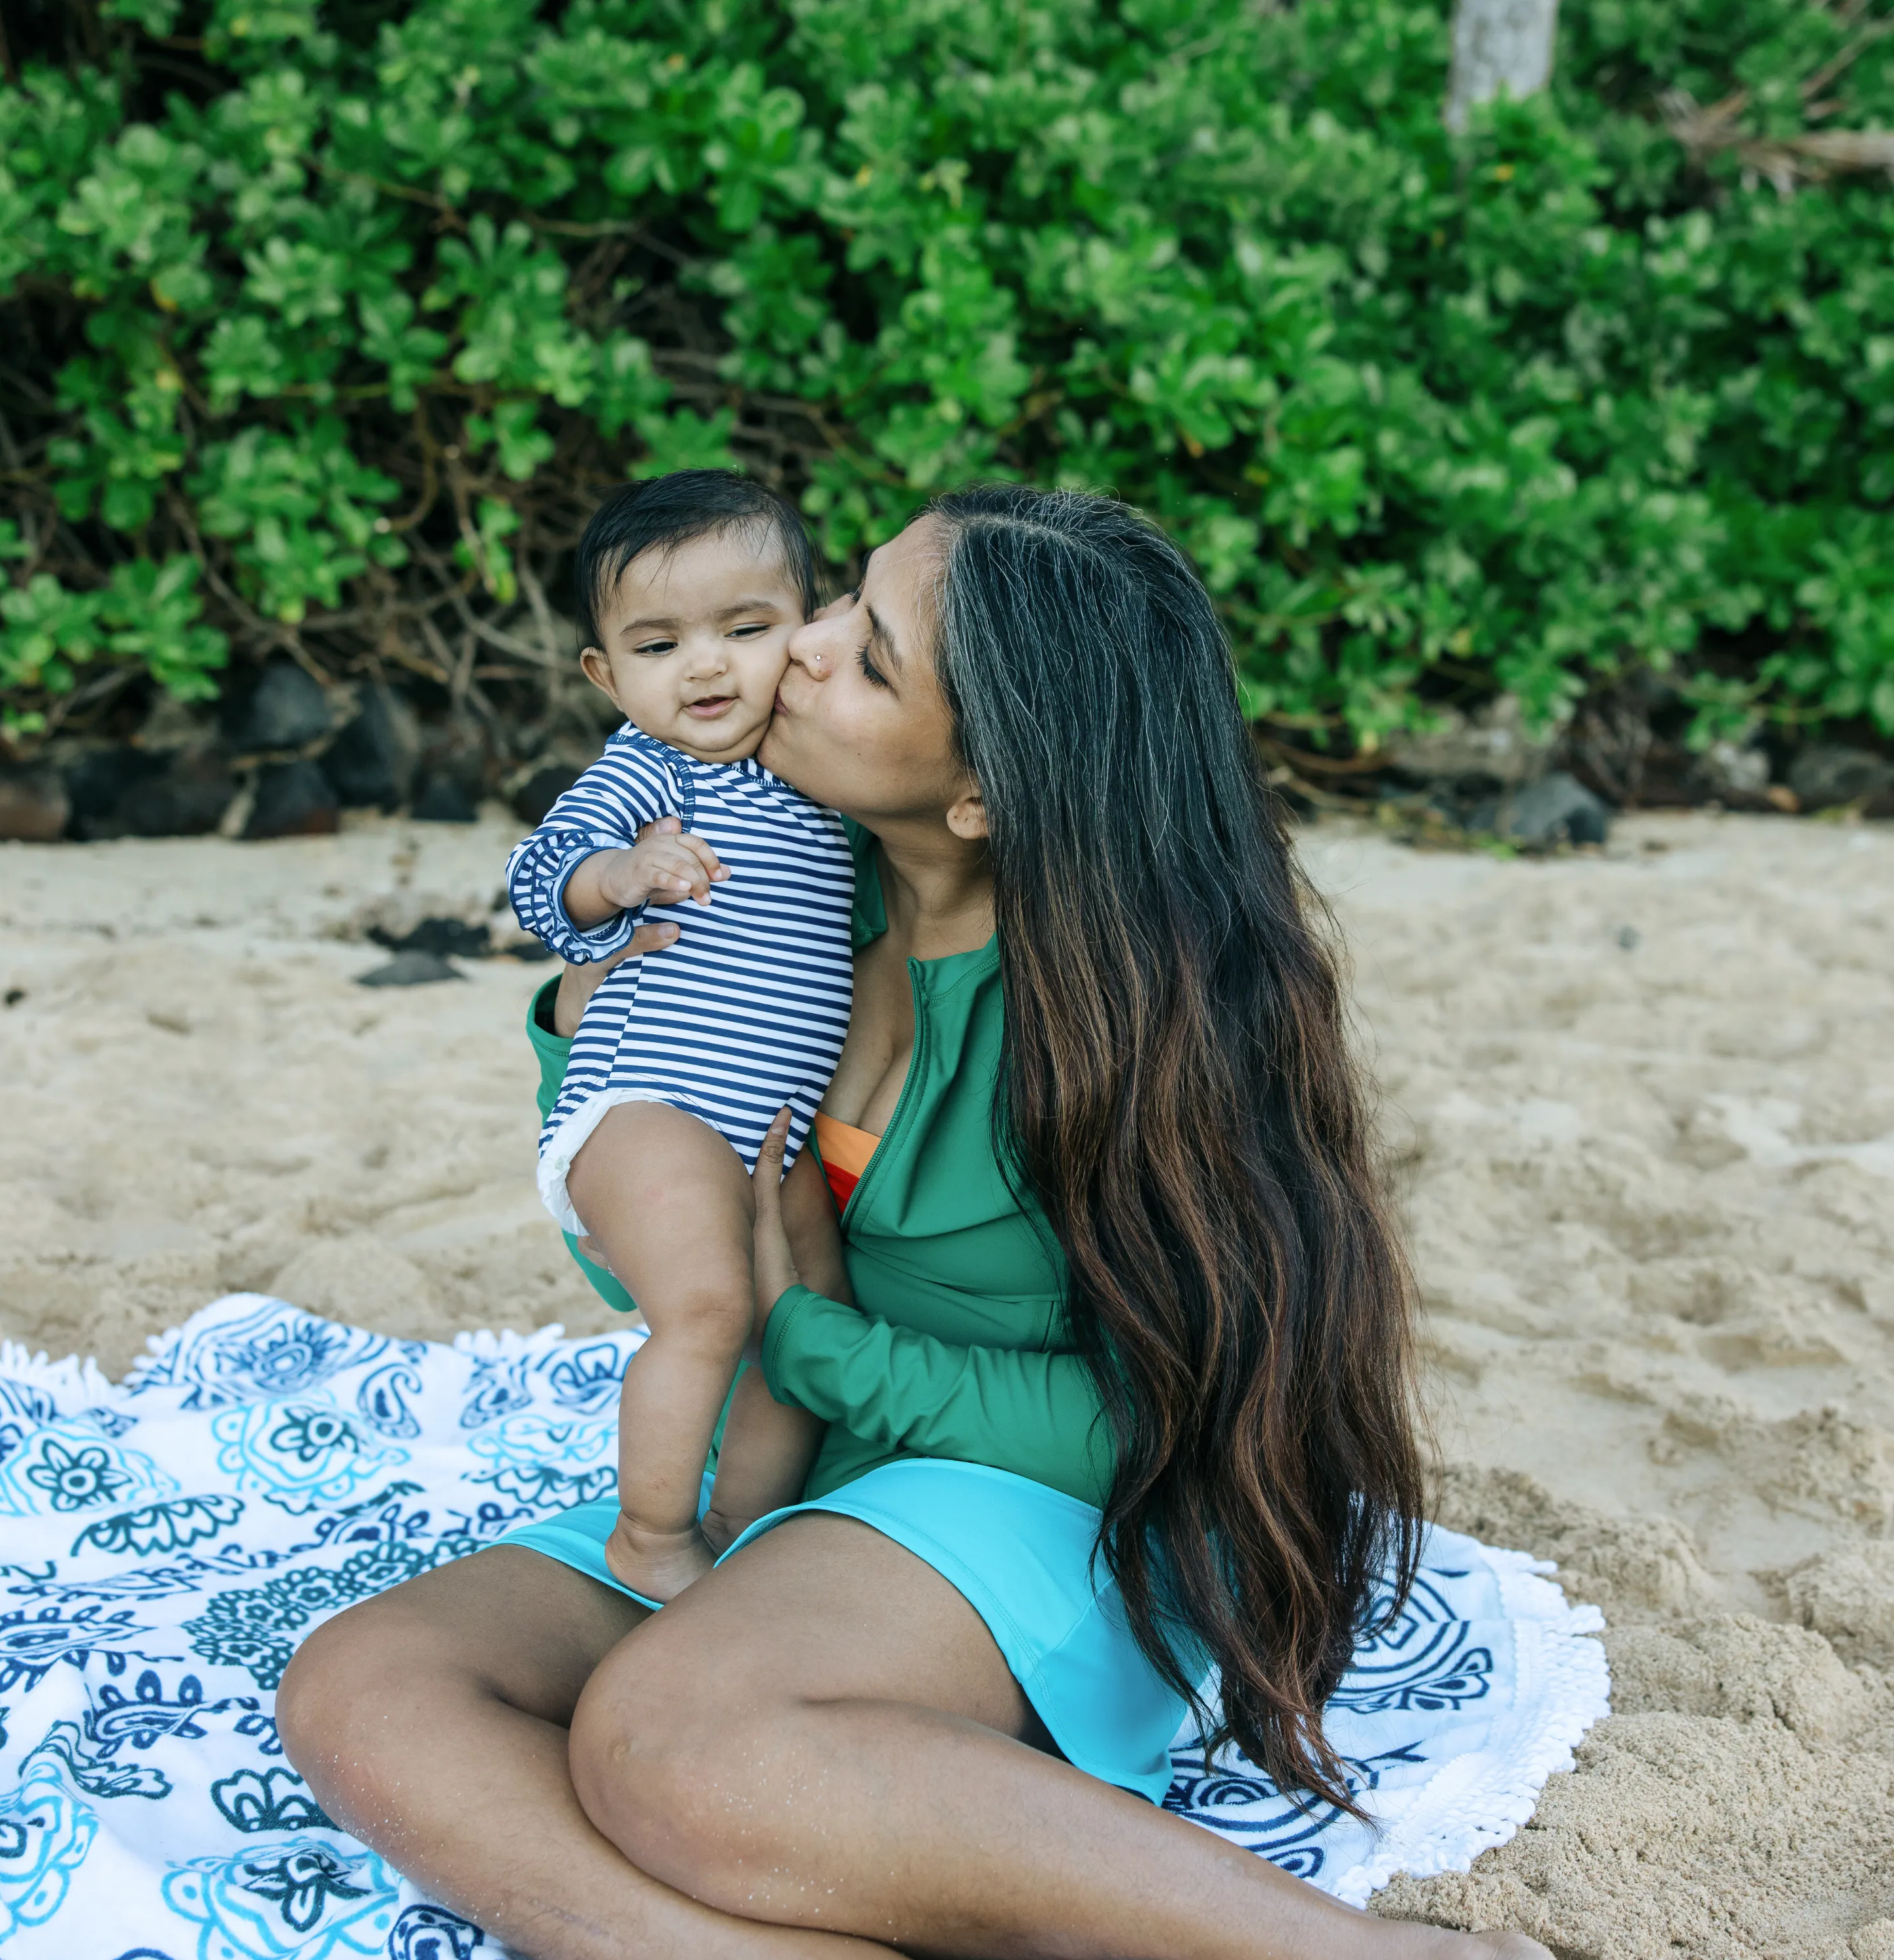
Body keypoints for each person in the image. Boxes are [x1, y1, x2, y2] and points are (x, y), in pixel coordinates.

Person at [278, 485, 1550, 1960]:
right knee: (369, 1687)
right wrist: (591, 1048)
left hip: (1055, 1508)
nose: (793, 649)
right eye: (839, 601)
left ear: (982, 795)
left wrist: (822, 1346)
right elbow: (665, 1262)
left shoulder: (1132, 1033)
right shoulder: (785, 899)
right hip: (805, 1472)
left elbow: (1165, 1424)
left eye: (866, 655)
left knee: (668, 1745)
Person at [507, 470, 854, 1600]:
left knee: (806, 1335)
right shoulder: (650, 770)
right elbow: (538, 882)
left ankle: (742, 1525)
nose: (705, 666)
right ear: (607, 675)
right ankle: (651, 1536)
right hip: (647, 1104)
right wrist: (622, 876)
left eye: (745, 629)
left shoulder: (822, 772)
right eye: (658, 647)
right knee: (706, 1308)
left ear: (809, 629)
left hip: (774, 1129)